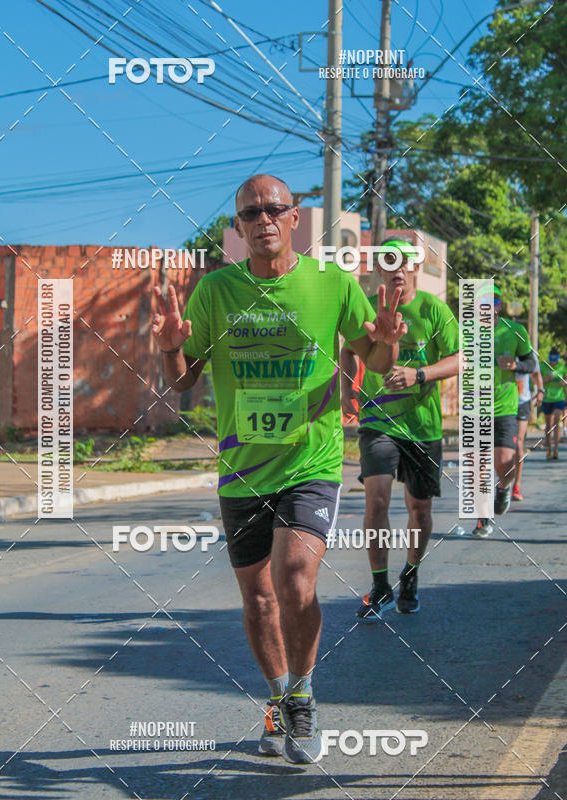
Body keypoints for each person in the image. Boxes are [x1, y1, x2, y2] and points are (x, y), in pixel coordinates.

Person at [151, 174, 407, 764]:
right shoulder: (215, 292)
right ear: (239, 228)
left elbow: (372, 353)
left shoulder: (332, 283)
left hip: (309, 461)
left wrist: (388, 340)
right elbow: (184, 380)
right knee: (259, 598)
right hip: (241, 469)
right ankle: (276, 699)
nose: (263, 219)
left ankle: (304, 698)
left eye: (275, 209)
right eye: (250, 213)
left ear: (295, 218)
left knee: (294, 581)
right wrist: (169, 348)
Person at [341, 237, 460, 621]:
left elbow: (462, 358)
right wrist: (347, 392)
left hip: (422, 427)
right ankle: (379, 585)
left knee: (419, 509)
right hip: (377, 422)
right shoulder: (369, 307)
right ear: (380, 269)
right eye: (388, 262)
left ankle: (410, 574)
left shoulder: (434, 309)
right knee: (375, 500)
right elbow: (348, 349)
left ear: (415, 269)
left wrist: (419, 374)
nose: (396, 269)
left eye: (403, 262)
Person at [472, 286, 536, 537]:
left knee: (505, 463)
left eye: (493, 300)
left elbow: (531, 363)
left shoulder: (515, 331)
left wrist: (516, 364)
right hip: (476, 408)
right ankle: (482, 519)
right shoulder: (466, 332)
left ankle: (503, 488)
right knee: (479, 466)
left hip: (506, 407)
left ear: (499, 305)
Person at [512, 350, 543, 500]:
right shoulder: (497, 345)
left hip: (522, 403)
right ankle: (502, 483)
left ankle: (516, 486)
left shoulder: (527, 351)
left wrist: (541, 390)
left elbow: (536, 373)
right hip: (500, 404)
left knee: (518, 443)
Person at [540, 347, 567, 460]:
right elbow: (537, 381)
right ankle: (549, 448)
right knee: (549, 425)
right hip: (547, 399)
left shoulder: (562, 367)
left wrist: (565, 381)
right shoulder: (543, 366)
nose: (553, 362)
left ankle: (555, 450)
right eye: (552, 359)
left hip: (559, 398)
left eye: (555, 360)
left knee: (556, 422)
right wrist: (547, 379)